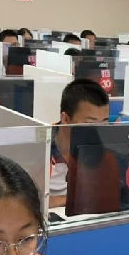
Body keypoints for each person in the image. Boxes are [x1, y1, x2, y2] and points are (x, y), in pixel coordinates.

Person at [49, 80, 110, 208]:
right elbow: (26, 203)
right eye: (90, 124)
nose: (97, 131)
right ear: (65, 119)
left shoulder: (104, 149)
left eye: (104, 123)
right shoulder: (40, 149)